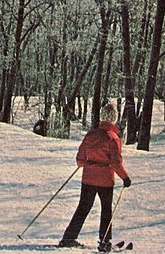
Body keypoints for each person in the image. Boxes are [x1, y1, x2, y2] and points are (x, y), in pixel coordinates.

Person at [59, 103, 131, 252]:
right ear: (114, 118)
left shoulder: (91, 135)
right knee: (106, 210)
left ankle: (68, 238)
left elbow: (80, 160)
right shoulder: (113, 138)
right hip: (105, 180)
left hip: (88, 178)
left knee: (83, 208)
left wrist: (87, 162)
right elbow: (116, 163)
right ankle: (104, 242)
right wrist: (125, 178)